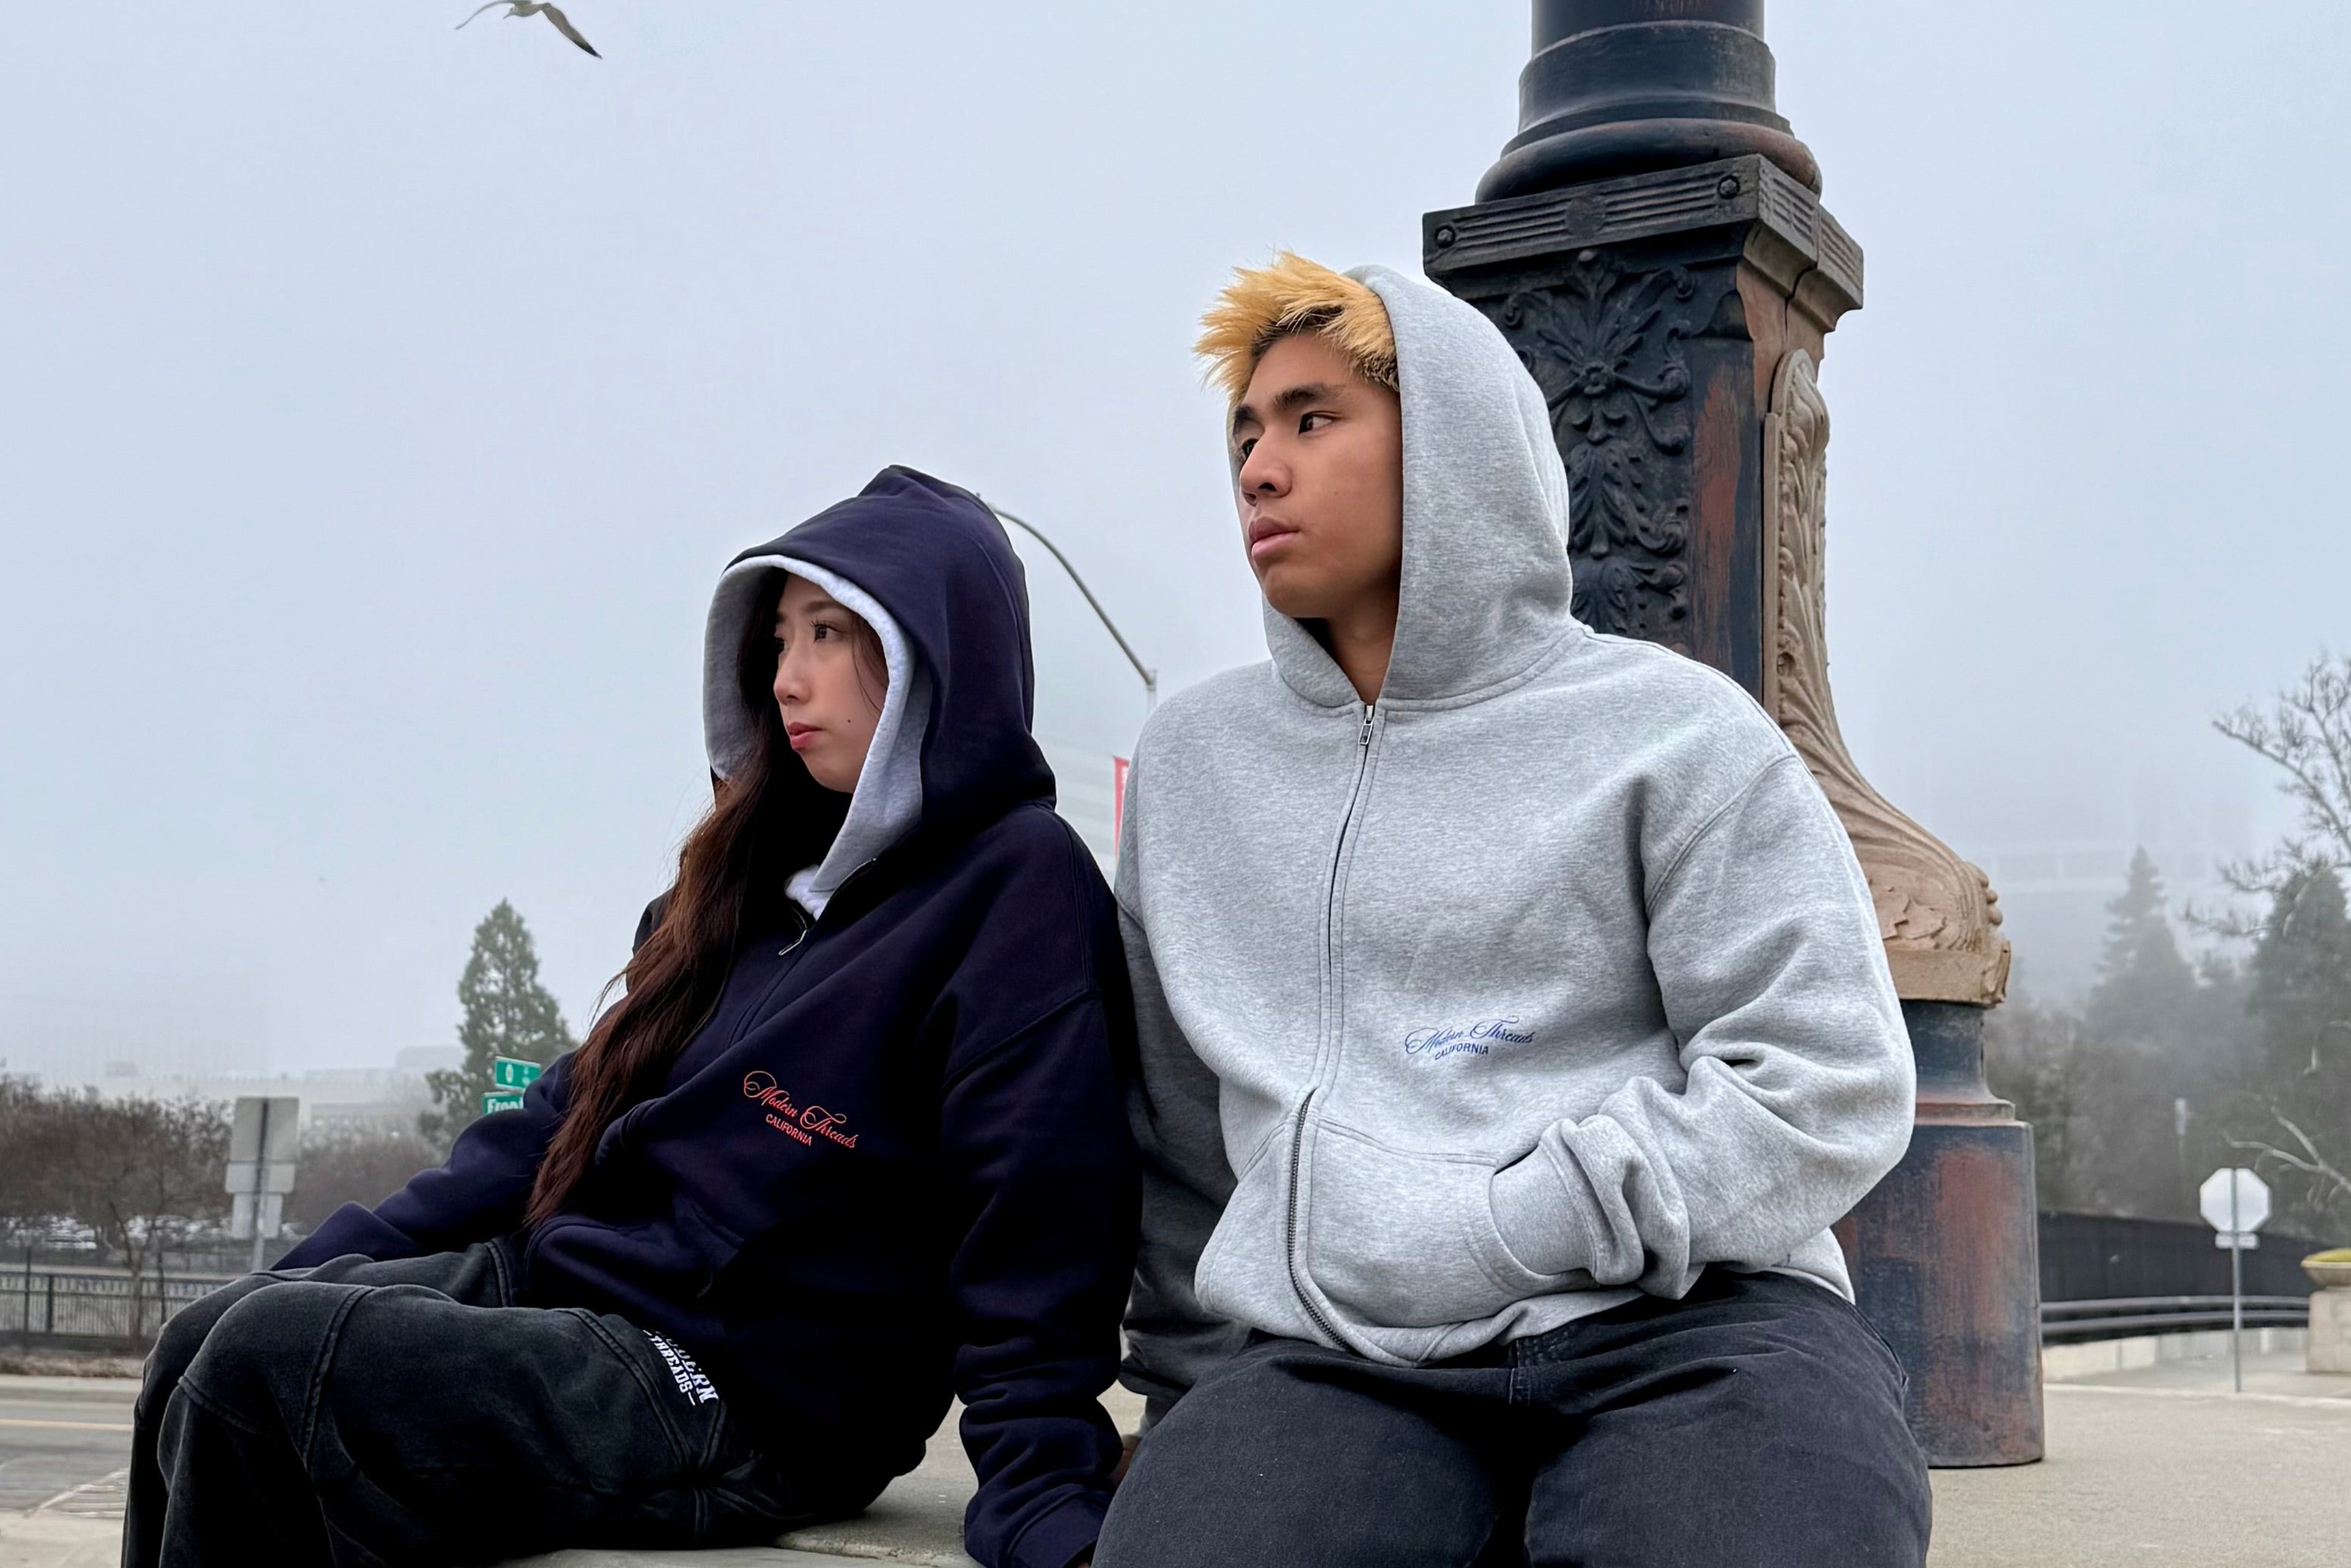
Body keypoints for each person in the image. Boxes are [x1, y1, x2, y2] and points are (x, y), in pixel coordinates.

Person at [126, 468, 1138, 1568]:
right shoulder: (742, 888)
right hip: (570, 1291)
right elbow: (553, 1124)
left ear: (939, 655)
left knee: (266, 1364)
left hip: (740, 1390)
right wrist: (302, 1265)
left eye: (831, 633)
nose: (789, 678)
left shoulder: (1012, 885)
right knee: (203, 1339)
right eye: (780, 639)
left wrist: (1042, 1486)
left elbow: (1037, 1200)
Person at [1095, 255, 1930, 1567]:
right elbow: (1183, 1129)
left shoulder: (1671, 730)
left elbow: (1828, 1081)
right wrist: (1203, 1397)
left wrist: (1519, 1221)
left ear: (1453, 447)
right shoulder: (1199, 765)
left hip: (1698, 1322)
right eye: (1246, 433)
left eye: (1315, 419)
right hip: (1339, 1357)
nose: (1260, 468)